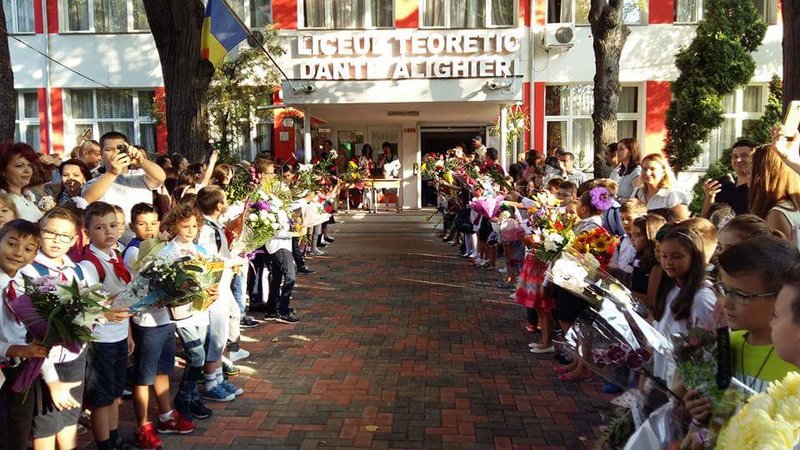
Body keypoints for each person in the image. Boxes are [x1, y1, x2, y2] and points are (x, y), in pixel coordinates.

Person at [684, 235, 800, 424]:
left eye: (741, 295)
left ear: (781, 296)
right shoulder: (723, 345)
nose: (725, 302)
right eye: (724, 289)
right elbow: (720, 417)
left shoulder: (793, 360)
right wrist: (701, 413)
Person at [20, 208, 87, 450]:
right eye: (50, 232)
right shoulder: (27, 271)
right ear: (39, 231)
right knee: (46, 424)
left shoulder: (77, 269)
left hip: (75, 355)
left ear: (74, 239)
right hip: (43, 362)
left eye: (65, 236)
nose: (57, 240)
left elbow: (87, 312)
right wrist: (51, 380)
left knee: (70, 416)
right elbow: (30, 330)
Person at [77, 203, 135, 450]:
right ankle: (105, 444)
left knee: (114, 393)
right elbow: (82, 305)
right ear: (87, 231)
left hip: (119, 335)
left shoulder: (115, 254)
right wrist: (106, 309)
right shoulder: (89, 264)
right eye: (100, 227)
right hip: (100, 340)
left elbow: (126, 298)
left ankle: (114, 438)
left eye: (113, 225)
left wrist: (129, 332)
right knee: (101, 398)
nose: (108, 232)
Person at [0, 220, 50, 450]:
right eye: (12, 244)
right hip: (5, 363)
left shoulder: (24, 283)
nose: (19, 253)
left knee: (20, 432)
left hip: (21, 368)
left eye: (28, 249)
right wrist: (16, 350)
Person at [652, 226, 717, 389]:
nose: (668, 262)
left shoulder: (702, 297)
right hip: (665, 371)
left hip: (683, 380)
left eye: (677, 256)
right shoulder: (673, 287)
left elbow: (709, 344)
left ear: (694, 258)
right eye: (664, 256)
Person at [81, 131, 166, 223]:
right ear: (101, 154)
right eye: (109, 149)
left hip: (141, 234)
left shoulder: (140, 175)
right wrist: (112, 173)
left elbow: (161, 177)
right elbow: (88, 198)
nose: (116, 152)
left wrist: (140, 161)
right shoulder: (95, 181)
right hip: (110, 235)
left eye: (120, 148)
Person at [748, 144, 800, 246]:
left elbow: (778, 257)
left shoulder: (777, 214)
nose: (747, 173)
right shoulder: (790, 206)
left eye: (752, 167)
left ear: (764, 173)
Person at [701, 139, 757, 217]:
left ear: (756, 158)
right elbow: (705, 219)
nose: (738, 160)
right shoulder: (723, 186)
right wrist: (709, 196)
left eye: (744, 155)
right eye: (735, 156)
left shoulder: (760, 188)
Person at [632, 153, 690, 221]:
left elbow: (683, 225)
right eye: (644, 169)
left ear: (663, 172)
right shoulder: (637, 193)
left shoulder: (673, 195)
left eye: (652, 169)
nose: (647, 173)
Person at [0, 142, 44, 221]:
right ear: (3, 171)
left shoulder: (28, 197)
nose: (27, 170)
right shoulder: (3, 201)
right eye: (20, 165)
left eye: (29, 165)